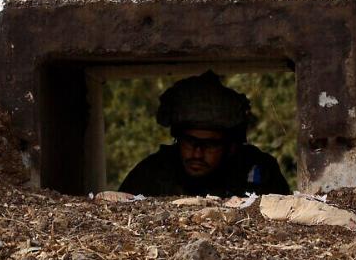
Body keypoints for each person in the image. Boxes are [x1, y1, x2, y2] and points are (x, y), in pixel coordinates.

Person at [117, 71, 292, 197]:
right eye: (190, 141)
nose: (197, 153)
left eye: (210, 145)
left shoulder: (257, 171)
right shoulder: (152, 173)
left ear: (231, 147)